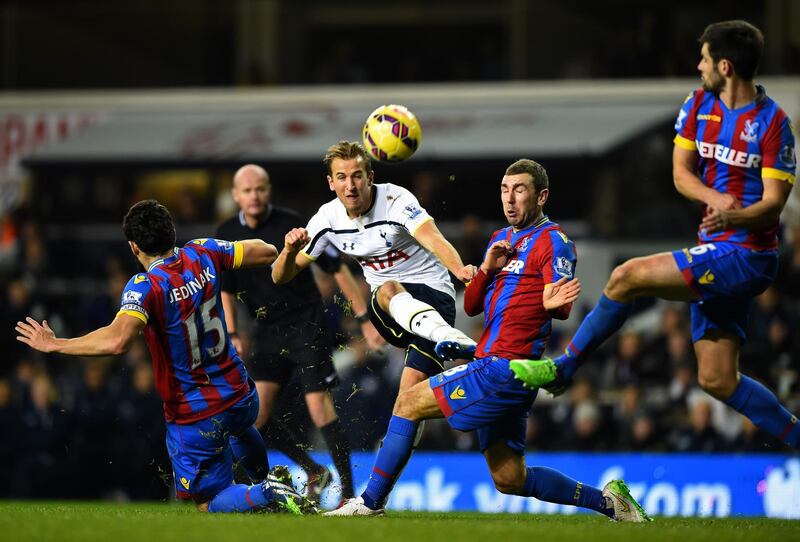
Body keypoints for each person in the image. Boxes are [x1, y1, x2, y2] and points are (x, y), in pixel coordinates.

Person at [511, 20, 799, 449]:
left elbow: (774, 204)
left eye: (704, 58)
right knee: (717, 379)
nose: (698, 65)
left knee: (626, 276)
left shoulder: (773, 123)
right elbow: (681, 174)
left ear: (725, 65)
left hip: (748, 256)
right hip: (717, 245)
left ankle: (564, 368)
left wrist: (734, 219)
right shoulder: (699, 104)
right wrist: (717, 202)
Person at [324, 159, 649, 520]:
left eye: (520, 190)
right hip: (496, 366)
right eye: (504, 190)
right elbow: (475, 304)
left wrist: (551, 302)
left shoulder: (554, 242)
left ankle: (369, 503)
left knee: (408, 402)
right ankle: (609, 503)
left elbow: (560, 306)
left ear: (541, 196)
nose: (509, 199)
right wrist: (488, 269)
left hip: (507, 367)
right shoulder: (501, 239)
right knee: (510, 478)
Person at [15, 200, 306, 513]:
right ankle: (270, 485)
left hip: (196, 412)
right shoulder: (202, 251)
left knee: (206, 502)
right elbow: (266, 251)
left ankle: (266, 491)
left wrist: (57, 344)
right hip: (240, 394)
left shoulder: (146, 286)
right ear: (172, 232)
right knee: (238, 427)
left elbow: (117, 341)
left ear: (134, 246)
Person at [271, 141, 478, 461]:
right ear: (331, 182)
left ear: (370, 176)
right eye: (341, 177)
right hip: (389, 309)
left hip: (435, 298)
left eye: (356, 176)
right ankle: (452, 342)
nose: (350, 185)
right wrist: (287, 250)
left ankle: (373, 501)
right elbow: (279, 276)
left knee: (407, 404)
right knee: (386, 288)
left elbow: (433, 238)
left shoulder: (396, 200)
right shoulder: (326, 218)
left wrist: (460, 269)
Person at [216, 164, 384, 503]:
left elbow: (336, 267)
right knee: (257, 416)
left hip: (306, 323)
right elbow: (227, 290)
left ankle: (349, 496)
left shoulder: (292, 223)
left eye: (260, 188)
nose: (254, 195)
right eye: (247, 190)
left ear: (269, 191)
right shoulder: (227, 231)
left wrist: (364, 317)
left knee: (318, 407)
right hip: (266, 328)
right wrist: (232, 331)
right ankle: (312, 470)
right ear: (236, 195)